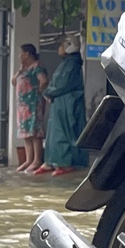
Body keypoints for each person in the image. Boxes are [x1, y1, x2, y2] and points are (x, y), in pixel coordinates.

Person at [39, 33, 88, 174]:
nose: (59, 48)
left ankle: (64, 163)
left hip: (67, 103)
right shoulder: (67, 62)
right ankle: (51, 162)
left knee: (63, 133)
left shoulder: (72, 63)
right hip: (60, 102)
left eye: (61, 45)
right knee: (54, 132)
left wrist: (48, 92)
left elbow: (62, 83)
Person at [13, 43, 48, 172]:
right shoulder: (25, 69)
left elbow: (43, 80)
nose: (19, 55)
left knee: (35, 132)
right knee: (26, 133)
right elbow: (14, 81)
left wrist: (37, 93)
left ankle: (37, 160)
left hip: (32, 105)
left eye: (20, 53)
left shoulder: (37, 67)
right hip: (23, 106)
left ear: (27, 54)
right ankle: (29, 159)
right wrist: (20, 70)